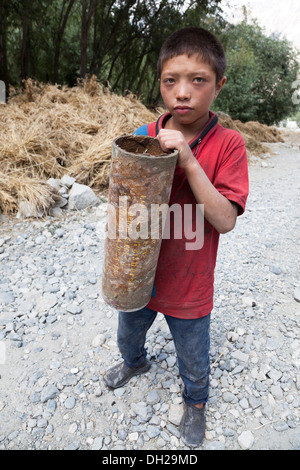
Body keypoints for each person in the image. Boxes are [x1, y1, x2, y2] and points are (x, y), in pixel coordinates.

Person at [103, 26, 249, 447]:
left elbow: (225, 220)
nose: (182, 92)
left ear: (218, 86)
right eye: (171, 81)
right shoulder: (144, 137)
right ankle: (135, 363)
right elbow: (123, 208)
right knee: (127, 334)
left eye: (197, 80)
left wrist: (187, 161)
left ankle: (196, 401)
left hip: (190, 283)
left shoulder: (229, 145)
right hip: (139, 279)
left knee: (193, 356)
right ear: (160, 83)